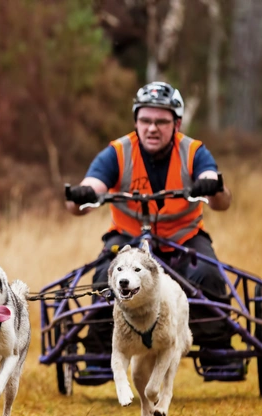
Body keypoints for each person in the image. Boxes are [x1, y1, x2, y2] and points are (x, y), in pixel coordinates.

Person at [65, 81, 239, 375]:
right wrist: (85, 193)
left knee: (206, 275)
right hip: (127, 240)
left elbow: (221, 198)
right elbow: (89, 189)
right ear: (136, 122)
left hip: (184, 238)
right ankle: (98, 351)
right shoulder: (118, 152)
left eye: (161, 121)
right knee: (103, 277)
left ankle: (216, 349)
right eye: (145, 120)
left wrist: (211, 185)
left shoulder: (193, 151)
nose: (152, 128)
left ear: (177, 123)